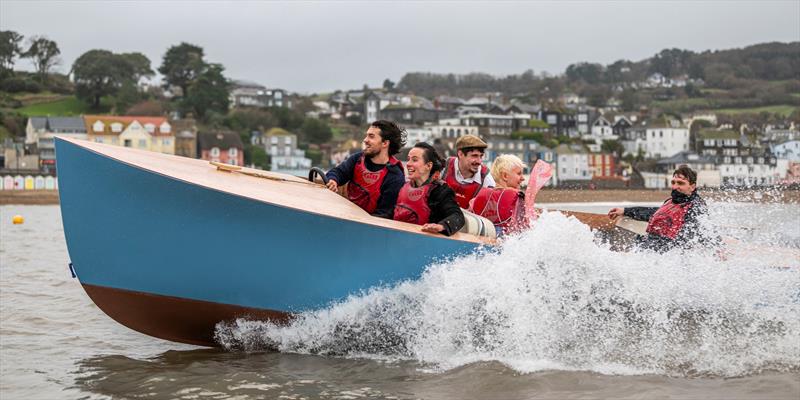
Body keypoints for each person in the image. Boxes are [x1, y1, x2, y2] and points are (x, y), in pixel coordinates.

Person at [607, 165, 715, 252]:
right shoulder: (670, 202)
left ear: (692, 186)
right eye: (673, 182)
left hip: (668, 254)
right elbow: (654, 213)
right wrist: (625, 211)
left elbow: (700, 231)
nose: (675, 186)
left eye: (680, 183)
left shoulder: (696, 206)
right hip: (648, 247)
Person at [325, 120, 406, 218]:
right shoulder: (357, 159)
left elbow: (385, 214)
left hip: (370, 225)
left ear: (385, 143)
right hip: (348, 215)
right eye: (366, 135)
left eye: (371, 136)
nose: (365, 140)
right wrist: (333, 180)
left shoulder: (394, 176)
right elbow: (339, 172)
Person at [394, 142, 465, 236]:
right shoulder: (402, 186)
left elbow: (458, 217)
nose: (408, 164)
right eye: (408, 159)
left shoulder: (441, 191)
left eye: (414, 160)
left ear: (428, 166)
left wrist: (441, 226)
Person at [469, 154, 529, 235]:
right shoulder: (517, 198)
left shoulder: (476, 199)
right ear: (505, 176)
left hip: (486, 237)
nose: (523, 178)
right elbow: (526, 225)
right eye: (519, 174)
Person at [442, 135, 495, 209]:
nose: (479, 161)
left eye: (481, 156)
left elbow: (491, 209)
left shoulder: (486, 178)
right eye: (474, 156)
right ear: (460, 154)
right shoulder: (444, 167)